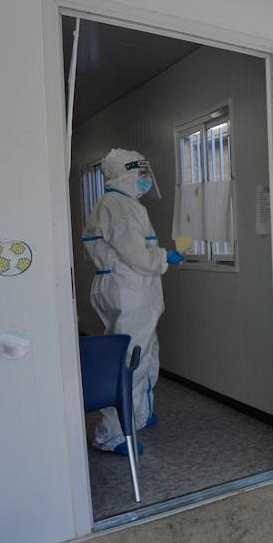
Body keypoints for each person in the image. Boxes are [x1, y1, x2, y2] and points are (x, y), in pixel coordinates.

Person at [83, 148, 183, 455]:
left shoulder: (121, 204)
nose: (145, 181)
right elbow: (137, 255)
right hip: (129, 290)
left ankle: (138, 415)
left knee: (145, 353)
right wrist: (164, 256)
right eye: (140, 175)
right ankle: (112, 435)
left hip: (129, 288)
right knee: (130, 361)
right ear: (126, 175)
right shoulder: (119, 206)